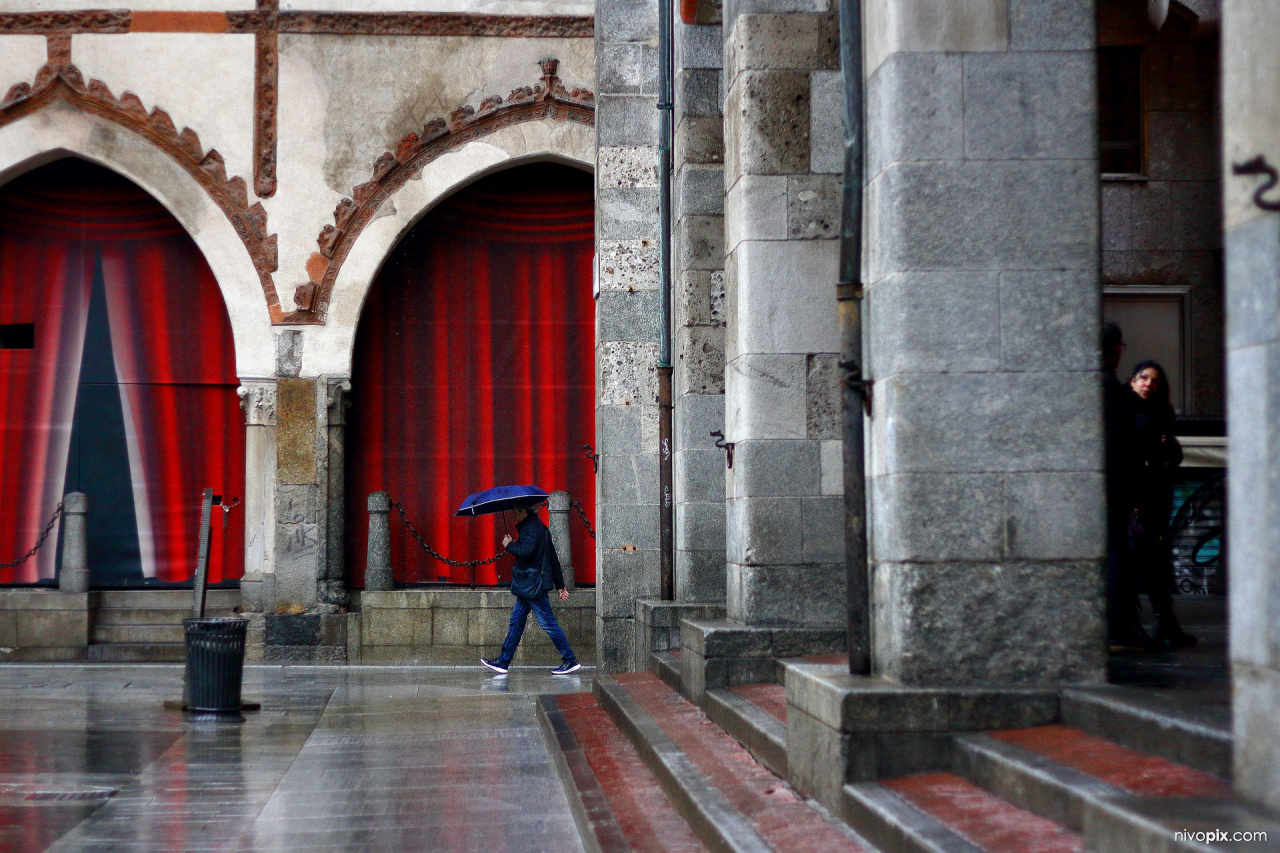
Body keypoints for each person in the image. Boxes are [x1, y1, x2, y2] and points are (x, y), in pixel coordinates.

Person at [1128, 361, 1196, 649]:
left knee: (1155, 561)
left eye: (1154, 380)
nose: (1148, 384)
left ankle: (1164, 620)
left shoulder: (1161, 416)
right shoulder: (1125, 411)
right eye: (1143, 378)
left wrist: (1169, 448)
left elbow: (1171, 457)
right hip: (1133, 499)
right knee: (1136, 562)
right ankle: (1143, 624)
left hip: (1155, 497)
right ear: (1132, 381)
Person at [481, 502, 581, 675]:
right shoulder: (539, 528)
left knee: (547, 623)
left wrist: (509, 545)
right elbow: (553, 558)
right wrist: (560, 585)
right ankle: (503, 662)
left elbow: (525, 551)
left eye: (515, 512)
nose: (513, 515)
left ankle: (570, 659)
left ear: (523, 511)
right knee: (516, 623)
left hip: (533, 585)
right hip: (528, 586)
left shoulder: (530, 529)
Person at [1102, 322, 1146, 651]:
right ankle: (1118, 628)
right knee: (1118, 553)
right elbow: (1120, 440)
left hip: (1110, 486)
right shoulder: (1108, 387)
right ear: (1115, 348)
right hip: (1114, 487)